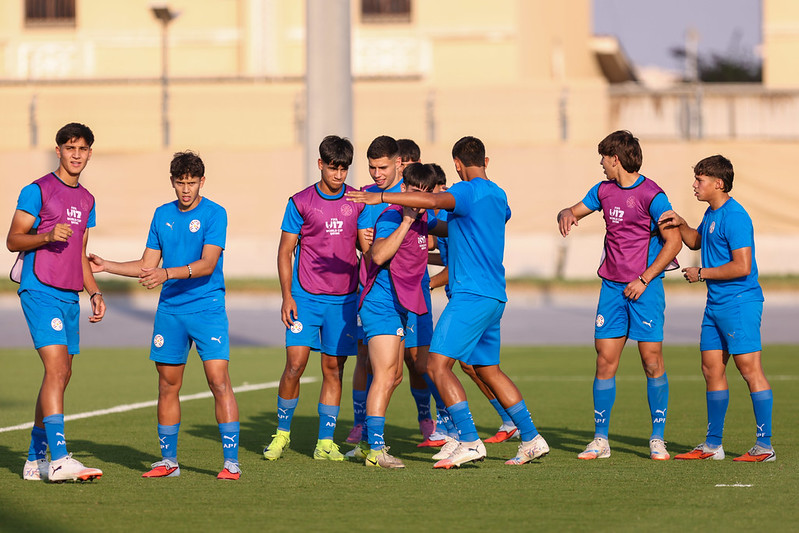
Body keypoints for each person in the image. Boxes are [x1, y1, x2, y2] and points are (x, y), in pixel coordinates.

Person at [348, 136, 550, 469]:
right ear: (487, 160)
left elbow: (438, 201)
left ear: (457, 163)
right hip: (495, 296)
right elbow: (477, 222)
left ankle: (468, 440)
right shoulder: (499, 195)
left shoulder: (464, 191)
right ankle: (531, 437)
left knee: (435, 366)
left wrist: (381, 196)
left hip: (469, 296)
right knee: (488, 369)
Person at [89, 150, 242, 480]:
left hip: (207, 309)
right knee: (167, 385)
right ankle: (169, 462)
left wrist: (167, 274)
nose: (186, 190)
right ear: (172, 182)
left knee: (218, 381)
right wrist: (107, 266)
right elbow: (148, 265)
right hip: (170, 312)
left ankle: (231, 463)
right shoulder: (162, 215)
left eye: (192, 183)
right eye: (180, 183)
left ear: (202, 181)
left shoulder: (216, 214)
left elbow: (207, 264)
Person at [556, 130, 681, 461]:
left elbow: (674, 243)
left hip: (645, 288)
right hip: (612, 288)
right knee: (604, 360)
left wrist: (644, 278)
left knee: (651, 360)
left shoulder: (654, 196)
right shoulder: (603, 191)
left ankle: (657, 438)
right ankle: (600, 440)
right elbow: (574, 209)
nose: (600, 163)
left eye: (603, 158)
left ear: (616, 159)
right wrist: (565, 213)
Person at [658, 155, 775, 462]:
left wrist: (702, 273)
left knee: (750, 371)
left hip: (739, 304)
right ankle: (713, 445)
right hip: (715, 305)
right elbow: (698, 242)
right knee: (711, 369)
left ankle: (765, 446)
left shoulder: (735, 216)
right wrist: (682, 225)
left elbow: (742, 265)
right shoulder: (711, 213)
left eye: (700, 180)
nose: (695, 185)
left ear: (718, 183)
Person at [7, 122, 105, 483]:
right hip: (40, 289)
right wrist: (47, 235)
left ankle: (35, 461)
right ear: (59, 150)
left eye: (83, 149)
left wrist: (94, 292)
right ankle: (60, 458)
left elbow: (79, 254)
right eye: (70, 148)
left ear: (90, 153)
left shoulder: (87, 199)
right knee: (55, 369)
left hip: (69, 295)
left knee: (62, 374)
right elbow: (13, 240)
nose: (76, 155)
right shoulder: (38, 190)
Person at [262, 135, 369, 462]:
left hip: (343, 302)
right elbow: (285, 252)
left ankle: (325, 442)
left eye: (344, 169)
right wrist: (286, 296)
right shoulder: (300, 202)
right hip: (305, 299)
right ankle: (281, 435)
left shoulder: (359, 202)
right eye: (333, 167)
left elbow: (367, 251)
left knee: (333, 370)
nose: (339, 175)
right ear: (320, 164)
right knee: (294, 365)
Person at [346, 135, 436, 448]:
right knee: (374, 366)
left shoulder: (413, 193)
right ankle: (368, 438)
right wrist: (365, 241)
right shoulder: (367, 199)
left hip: (410, 294)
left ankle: (428, 420)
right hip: (378, 292)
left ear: (399, 163)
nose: (376, 174)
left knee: (404, 370)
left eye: (382, 167)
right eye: (372, 168)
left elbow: (431, 236)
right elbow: (371, 250)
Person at [426, 163, 519, 449]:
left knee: (439, 365)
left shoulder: (457, 202)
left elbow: (459, 261)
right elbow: (444, 251)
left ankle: (460, 434)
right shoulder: (485, 200)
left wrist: (426, 283)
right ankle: (520, 428)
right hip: (479, 295)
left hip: (471, 297)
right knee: (476, 367)